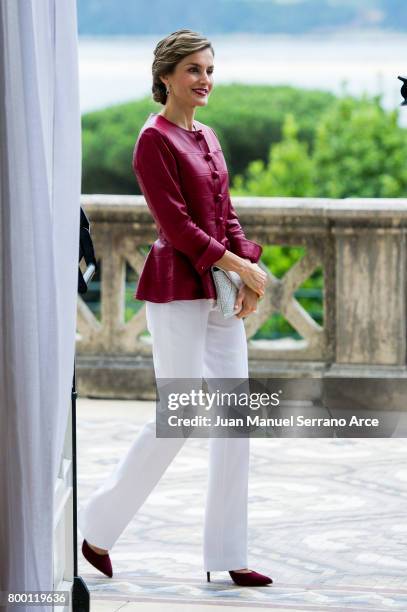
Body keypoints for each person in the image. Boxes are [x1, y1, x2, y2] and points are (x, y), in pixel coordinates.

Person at [78, 29, 272, 587]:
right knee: (181, 416)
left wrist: (247, 271)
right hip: (176, 289)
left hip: (220, 291)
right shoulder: (152, 139)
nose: (204, 79)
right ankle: (96, 528)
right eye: (193, 70)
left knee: (235, 420)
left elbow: (224, 212)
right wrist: (240, 267)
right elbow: (177, 227)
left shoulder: (208, 135)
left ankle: (228, 553)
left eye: (209, 69)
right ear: (165, 76)